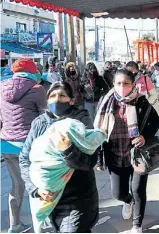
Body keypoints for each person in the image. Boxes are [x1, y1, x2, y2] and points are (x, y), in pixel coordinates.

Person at [19, 81, 99, 233]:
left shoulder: (80, 121)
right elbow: (24, 159)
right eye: (53, 95)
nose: (57, 99)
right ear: (47, 100)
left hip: (78, 199)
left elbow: (89, 161)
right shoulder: (39, 123)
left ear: (71, 100)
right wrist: (35, 189)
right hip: (49, 198)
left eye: (62, 95)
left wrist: (67, 149)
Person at [95, 69, 159, 233]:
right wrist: (99, 159)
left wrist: (145, 136)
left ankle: (137, 225)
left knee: (138, 190)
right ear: (113, 84)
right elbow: (98, 131)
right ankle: (127, 201)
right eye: (118, 83)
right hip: (114, 153)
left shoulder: (141, 101)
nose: (122, 86)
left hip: (138, 154)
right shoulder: (106, 101)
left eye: (126, 83)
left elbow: (156, 121)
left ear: (133, 84)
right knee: (118, 193)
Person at [0, 58, 47, 233]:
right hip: (29, 146)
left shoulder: (1, 87)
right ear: (33, 71)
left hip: (6, 145)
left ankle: (14, 225)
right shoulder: (37, 89)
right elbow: (45, 117)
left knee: (17, 184)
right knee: (37, 185)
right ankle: (40, 227)